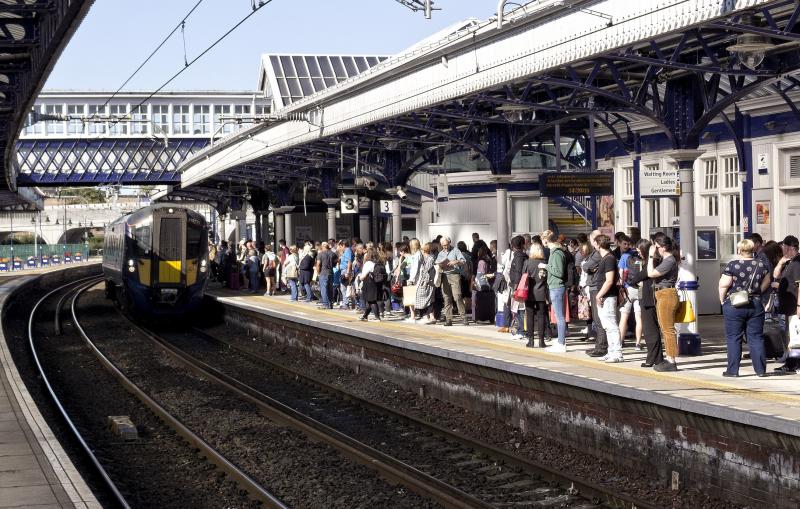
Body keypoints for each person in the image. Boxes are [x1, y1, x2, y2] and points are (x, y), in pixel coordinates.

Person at [718, 239, 771, 377]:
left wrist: (722, 299)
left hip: (735, 304)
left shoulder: (733, 265)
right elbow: (768, 280)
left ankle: (733, 370)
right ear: (753, 250)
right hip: (755, 303)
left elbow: (724, 284)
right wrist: (757, 292)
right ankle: (760, 371)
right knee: (756, 337)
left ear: (739, 250)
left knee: (734, 337)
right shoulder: (761, 264)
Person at [628, 239, 664, 367]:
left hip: (649, 299)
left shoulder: (651, 261)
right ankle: (658, 358)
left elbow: (639, 276)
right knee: (652, 329)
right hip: (648, 297)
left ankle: (652, 358)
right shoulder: (653, 261)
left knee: (650, 330)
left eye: (639, 251)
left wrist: (633, 281)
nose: (638, 254)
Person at [648, 233, 680, 372]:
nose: (655, 249)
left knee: (668, 329)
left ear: (664, 247)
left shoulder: (669, 260)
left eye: (657, 247)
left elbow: (651, 274)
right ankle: (669, 358)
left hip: (667, 294)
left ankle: (671, 360)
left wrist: (650, 257)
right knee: (665, 328)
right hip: (662, 294)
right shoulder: (665, 259)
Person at [594, 235, 623, 363]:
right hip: (605, 296)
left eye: (595, 243)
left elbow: (609, 280)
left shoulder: (609, 259)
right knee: (607, 325)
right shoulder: (606, 258)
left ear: (598, 245)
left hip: (608, 296)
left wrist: (599, 294)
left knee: (611, 325)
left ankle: (617, 353)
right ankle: (611, 351)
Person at [774, 235, 800, 374]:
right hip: (789, 308)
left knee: (795, 338)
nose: (781, 248)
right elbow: (776, 275)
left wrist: (799, 307)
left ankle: (793, 364)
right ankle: (791, 363)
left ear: (789, 247)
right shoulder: (789, 262)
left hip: (794, 307)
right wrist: (781, 263)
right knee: (792, 337)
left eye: (783, 246)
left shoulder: (797, 263)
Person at [542, 230, 568, 352]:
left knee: (559, 317)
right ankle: (560, 341)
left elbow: (559, 272)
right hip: (555, 287)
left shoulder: (556, 253)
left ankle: (561, 343)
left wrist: (545, 266)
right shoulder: (555, 252)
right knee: (558, 316)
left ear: (546, 240)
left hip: (556, 287)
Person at [435, 236, 468, 326]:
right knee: (446, 298)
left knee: (457, 296)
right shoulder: (440, 253)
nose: (445, 247)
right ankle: (448, 319)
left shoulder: (455, 250)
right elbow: (437, 264)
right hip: (444, 275)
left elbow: (463, 261)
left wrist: (456, 261)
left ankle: (463, 317)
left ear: (450, 243)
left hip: (454, 275)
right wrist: (440, 265)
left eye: (446, 245)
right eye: (443, 245)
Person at [616, 234, 642, 349]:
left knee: (623, 317)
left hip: (627, 289)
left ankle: (620, 342)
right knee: (639, 317)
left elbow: (621, 274)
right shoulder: (639, 255)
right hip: (639, 289)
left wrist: (621, 285)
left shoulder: (624, 257)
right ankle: (638, 343)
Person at [584, 230, 606, 356]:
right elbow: (586, 266)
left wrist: (588, 267)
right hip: (594, 286)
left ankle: (601, 347)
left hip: (596, 287)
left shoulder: (598, 254)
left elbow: (586, 266)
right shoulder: (595, 253)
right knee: (597, 318)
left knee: (598, 318)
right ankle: (599, 345)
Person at [523, 243, 549, 349]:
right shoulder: (545, 262)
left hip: (529, 292)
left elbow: (523, 276)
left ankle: (531, 341)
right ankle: (542, 341)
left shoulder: (527, 262)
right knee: (541, 316)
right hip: (542, 292)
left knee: (530, 316)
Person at [507, 235, 528, 338]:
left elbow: (518, 272)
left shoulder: (519, 256)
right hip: (520, 286)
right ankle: (521, 330)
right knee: (519, 308)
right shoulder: (521, 255)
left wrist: (515, 286)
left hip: (518, 287)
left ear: (513, 246)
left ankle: (521, 331)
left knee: (520, 309)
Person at [415, 242, 437, 324]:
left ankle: (426, 316)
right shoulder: (426, 257)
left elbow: (426, 271)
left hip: (426, 282)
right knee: (428, 299)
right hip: (426, 281)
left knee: (424, 298)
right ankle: (431, 317)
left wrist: (424, 281)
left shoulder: (430, 258)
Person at [359, 248, 383, 321]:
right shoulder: (379, 262)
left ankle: (377, 317)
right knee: (369, 301)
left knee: (372, 301)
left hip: (368, 284)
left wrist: (359, 278)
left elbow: (363, 276)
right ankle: (365, 316)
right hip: (376, 283)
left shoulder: (368, 263)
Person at [315, 241, 336, 309]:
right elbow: (338, 260)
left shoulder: (320, 254)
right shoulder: (332, 253)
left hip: (323, 273)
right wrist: (333, 265)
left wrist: (318, 274)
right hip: (331, 272)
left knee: (324, 289)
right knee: (330, 289)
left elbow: (318, 264)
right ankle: (330, 304)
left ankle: (325, 304)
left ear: (323, 246)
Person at [338, 240, 354, 309]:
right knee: (345, 288)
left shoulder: (347, 251)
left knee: (344, 288)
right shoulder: (346, 251)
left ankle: (346, 304)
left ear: (343, 245)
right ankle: (347, 303)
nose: (340, 248)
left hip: (345, 271)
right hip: (344, 270)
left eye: (340, 246)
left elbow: (349, 262)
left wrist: (347, 272)